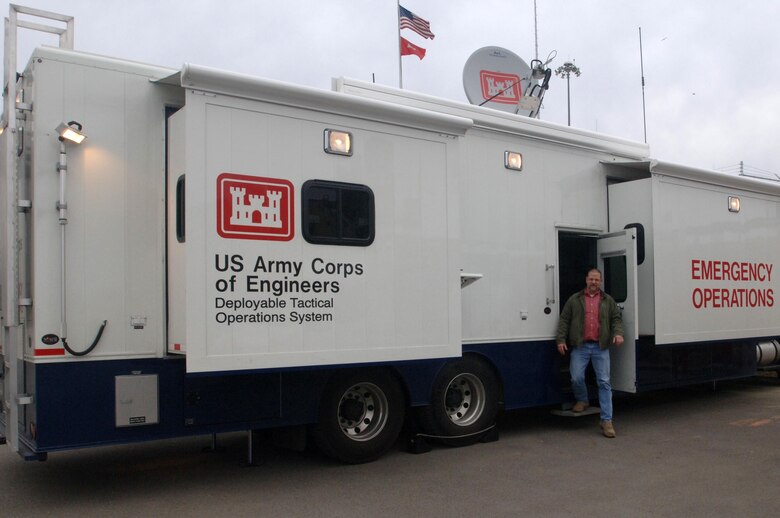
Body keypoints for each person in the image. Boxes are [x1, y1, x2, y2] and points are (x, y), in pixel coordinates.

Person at [556, 268, 624, 438]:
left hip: (601, 347)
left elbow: (616, 318)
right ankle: (583, 399)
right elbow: (564, 319)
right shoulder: (575, 299)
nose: (594, 282)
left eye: (597, 280)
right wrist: (561, 340)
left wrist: (618, 333)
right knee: (576, 377)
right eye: (591, 279)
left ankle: (606, 421)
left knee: (604, 382)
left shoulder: (608, 300)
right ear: (586, 280)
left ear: (600, 282)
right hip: (580, 346)